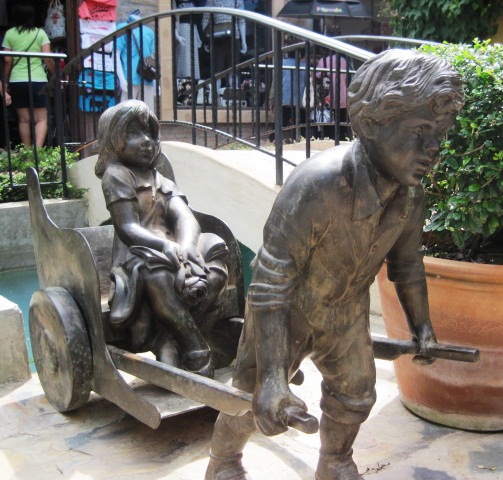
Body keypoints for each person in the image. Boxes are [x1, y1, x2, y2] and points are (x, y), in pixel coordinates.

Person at [205, 49, 464, 480]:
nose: (433, 147)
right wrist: (273, 377)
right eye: (420, 131)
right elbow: (269, 285)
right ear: (372, 123)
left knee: (356, 393)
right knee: (252, 400)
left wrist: (422, 328)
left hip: (345, 312)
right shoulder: (318, 184)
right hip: (285, 312)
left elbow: (407, 265)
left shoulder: (409, 195)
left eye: (440, 133)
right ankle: (224, 461)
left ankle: (335, 461)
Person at [95, 99, 229, 377]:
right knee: (158, 275)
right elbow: (127, 227)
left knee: (216, 262)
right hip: (139, 253)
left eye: (149, 132)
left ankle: (168, 338)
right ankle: (195, 347)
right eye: (133, 133)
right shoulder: (116, 175)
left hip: (176, 247)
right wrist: (166, 246)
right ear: (113, 139)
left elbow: (185, 218)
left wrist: (187, 246)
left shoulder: (161, 178)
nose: (146, 141)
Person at [2, 4, 54, 147]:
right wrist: (56, 74)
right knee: (41, 119)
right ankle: (37, 152)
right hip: (38, 80)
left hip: (17, 80)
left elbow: (7, 60)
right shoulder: (40, 33)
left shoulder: (10, 34)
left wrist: (5, 80)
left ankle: (28, 151)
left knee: (23, 120)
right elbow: (48, 58)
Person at [115, 11, 156, 113]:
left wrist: (155, 82)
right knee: (126, 115)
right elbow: (116, 55)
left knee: (147, 115)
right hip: (129, 80)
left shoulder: (149, 32)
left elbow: (151, 58)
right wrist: (121, 79)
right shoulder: (122, 28)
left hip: (147, 79)